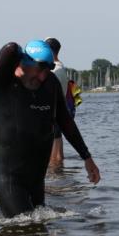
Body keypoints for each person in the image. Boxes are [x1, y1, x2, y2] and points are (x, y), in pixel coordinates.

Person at [0, 40, 100, 217]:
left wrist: (87, 157)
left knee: (40, 231)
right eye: (39, 69)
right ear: (23, 62)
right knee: (24, 227)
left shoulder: (50, 83)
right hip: (8, 177)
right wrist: (21, 52)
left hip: (36, 179)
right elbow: (8, 50)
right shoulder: (4, 83)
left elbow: (66, 122)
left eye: (47, 71)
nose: (42, 77)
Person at [45, 37, 69, 170]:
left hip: (52, 114)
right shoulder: (60, 67)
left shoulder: (55, 70)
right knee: (58, 152)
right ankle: (58, 172)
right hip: (57, 113)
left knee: (55, 156)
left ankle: (56, 173)